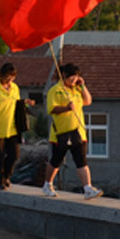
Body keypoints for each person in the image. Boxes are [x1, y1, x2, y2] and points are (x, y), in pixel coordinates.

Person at [42, 63, 102, 199]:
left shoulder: (76, 90)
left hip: (78, 131)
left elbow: (88, 101)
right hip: (61, 133)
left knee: (81, 160)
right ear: (64, 76)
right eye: (72, 78)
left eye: (77, 77)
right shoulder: (55, 90)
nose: (74, 80)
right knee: (56, 161)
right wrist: (67, 108)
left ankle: (87, 188)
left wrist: (82, 86)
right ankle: (47, 184)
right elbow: (51, 109)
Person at [0, 62, 34, 190]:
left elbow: (17, 104)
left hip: (12, 128)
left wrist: (26, 103)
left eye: (12, 76)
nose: (10, 79)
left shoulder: (15, 88)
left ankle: (6, 176)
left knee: (14, 155)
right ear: (2, 75)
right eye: (7, 76)